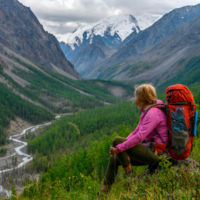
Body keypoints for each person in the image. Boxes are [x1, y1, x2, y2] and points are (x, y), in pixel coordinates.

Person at [99, 84, 168, 194]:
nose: (135, 99)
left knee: (117, 140)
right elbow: (135, 132)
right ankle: (102, 193)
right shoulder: (148, 110)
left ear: (142, 98)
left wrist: (119, 146)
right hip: (150, 149)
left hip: (158, 154)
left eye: (136, 96)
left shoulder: (153, 113)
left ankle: (130, 176)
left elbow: (140, 136)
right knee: (114, 159)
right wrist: (119, 147)